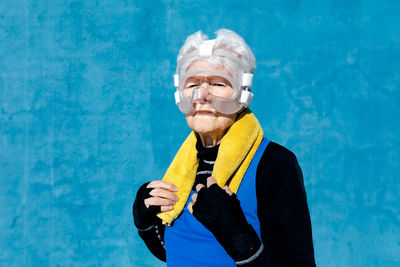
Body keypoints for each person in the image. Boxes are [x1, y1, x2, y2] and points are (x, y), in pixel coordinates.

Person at [132, 29, 316, 266]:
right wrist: (145, 223)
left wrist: (238, 237)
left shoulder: (275, 164)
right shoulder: (185, 166)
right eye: (192, 84)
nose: (202, 96)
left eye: (218, 83)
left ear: (243, 92)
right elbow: (185, 252)